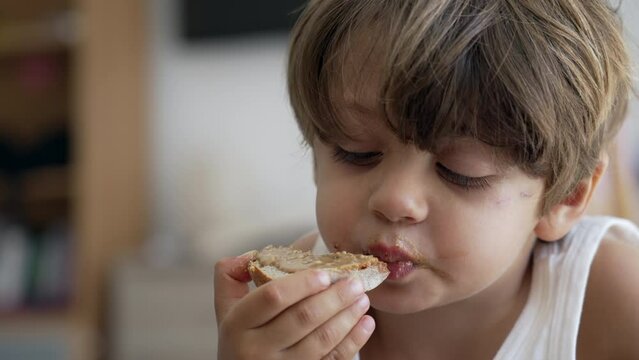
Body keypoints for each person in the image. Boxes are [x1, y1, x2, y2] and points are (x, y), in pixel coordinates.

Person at [214, 0, 639, 358]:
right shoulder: (301, 308)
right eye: (356, 152)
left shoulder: (614, 301)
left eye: (460, 172)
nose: (396, 199)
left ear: (565, 198)